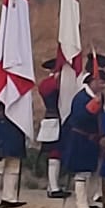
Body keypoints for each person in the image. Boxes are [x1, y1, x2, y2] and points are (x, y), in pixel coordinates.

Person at [60, 60, 105, 208]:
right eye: (101, 82)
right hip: (80, 139)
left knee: (93, 171)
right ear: (92, 81)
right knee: (81, 172)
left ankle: (89, 200)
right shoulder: (80, 98)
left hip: (93, 139)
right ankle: (81, 204)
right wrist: (94, 106)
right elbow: (80, 117)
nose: (103, 86)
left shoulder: (99, 97)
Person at [0, 87, 28, 208]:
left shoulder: (13, 84)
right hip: (1, 127)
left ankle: (9, 197)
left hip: (15, 127)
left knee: (13, 165)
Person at [35, 59, 66, 198]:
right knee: (54, 154)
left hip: (61, 120)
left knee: (58, 154)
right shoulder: (47, 84)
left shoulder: (60, 83)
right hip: (52, 120)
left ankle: (53, 186)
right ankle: (53, 188)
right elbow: (50, 89)